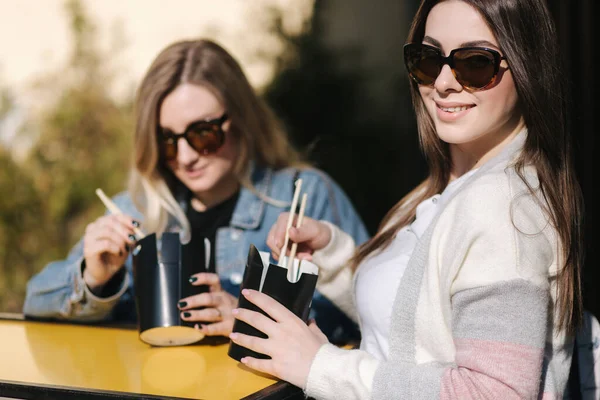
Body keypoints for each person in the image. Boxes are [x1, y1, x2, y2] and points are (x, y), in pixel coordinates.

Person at [228, 0, 584, 398]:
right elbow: (415, 324)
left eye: (475, 63)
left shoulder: (499, 206)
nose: (444, 82)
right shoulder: (448, 188)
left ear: (526, 67)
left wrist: (322, 366)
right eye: (428, 60)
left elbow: (494, 392)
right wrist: (332, 253)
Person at [23, 39, 369, 343]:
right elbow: (35, 301)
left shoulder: (301, 196)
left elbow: (374, 319)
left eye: (202, 134)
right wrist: (93, 278)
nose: (186, 157)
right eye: (168, 140)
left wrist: (249, 320)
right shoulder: (136, 211)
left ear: (241, 119)